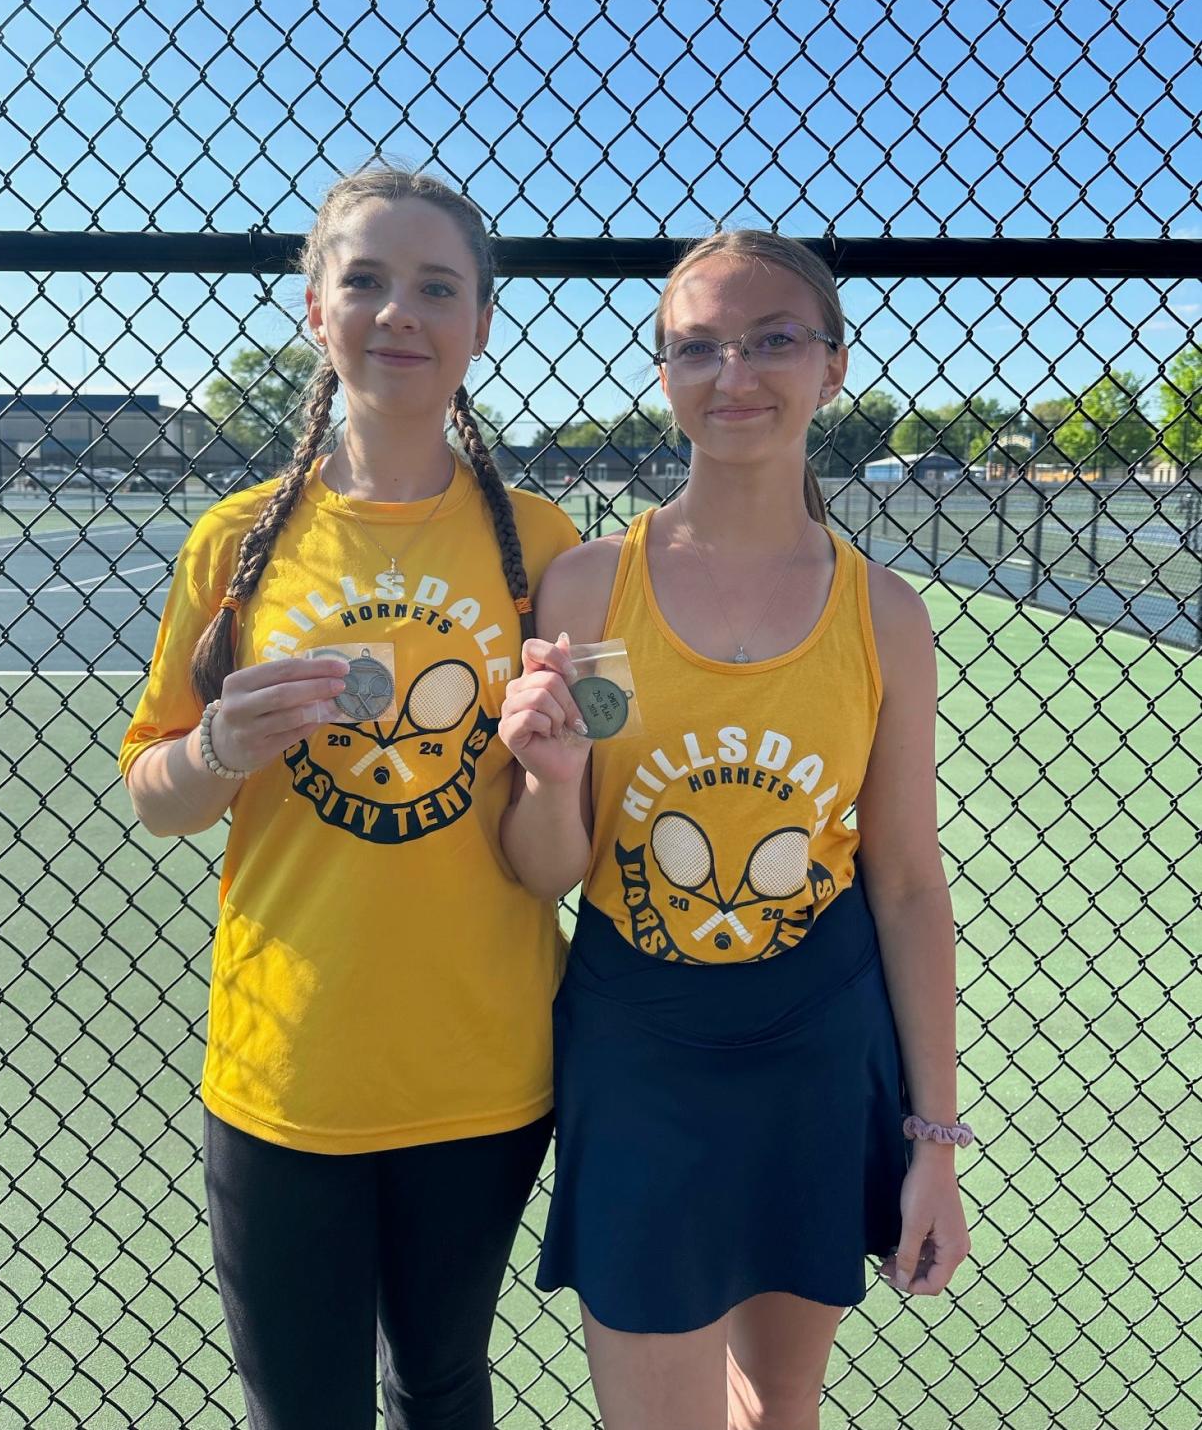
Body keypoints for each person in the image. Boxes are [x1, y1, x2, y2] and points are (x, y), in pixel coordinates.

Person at [119, 165, 579, 1430]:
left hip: (484, 1068)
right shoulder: (233, 542)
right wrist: (216, 746)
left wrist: (559, 766)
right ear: (315, 310)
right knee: (302, 1409)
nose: (400, 313)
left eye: (437, 287)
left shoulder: (545, 547)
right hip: (287, 1064)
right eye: (365, 280)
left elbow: (562, 851)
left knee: (439, 1386)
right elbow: (160, 794)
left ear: (482, 322)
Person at [498, 230, 972, 1430]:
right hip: (641, 1047)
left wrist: (935, 1144)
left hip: (817, 1047)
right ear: (665, 373)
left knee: (780, 1413)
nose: (734, 374)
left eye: (772, 340)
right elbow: (553, 865)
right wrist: (552, 781)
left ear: (834, 366)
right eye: (698, 346)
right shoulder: (593, 588)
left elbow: (908, 884)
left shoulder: (885, 615)